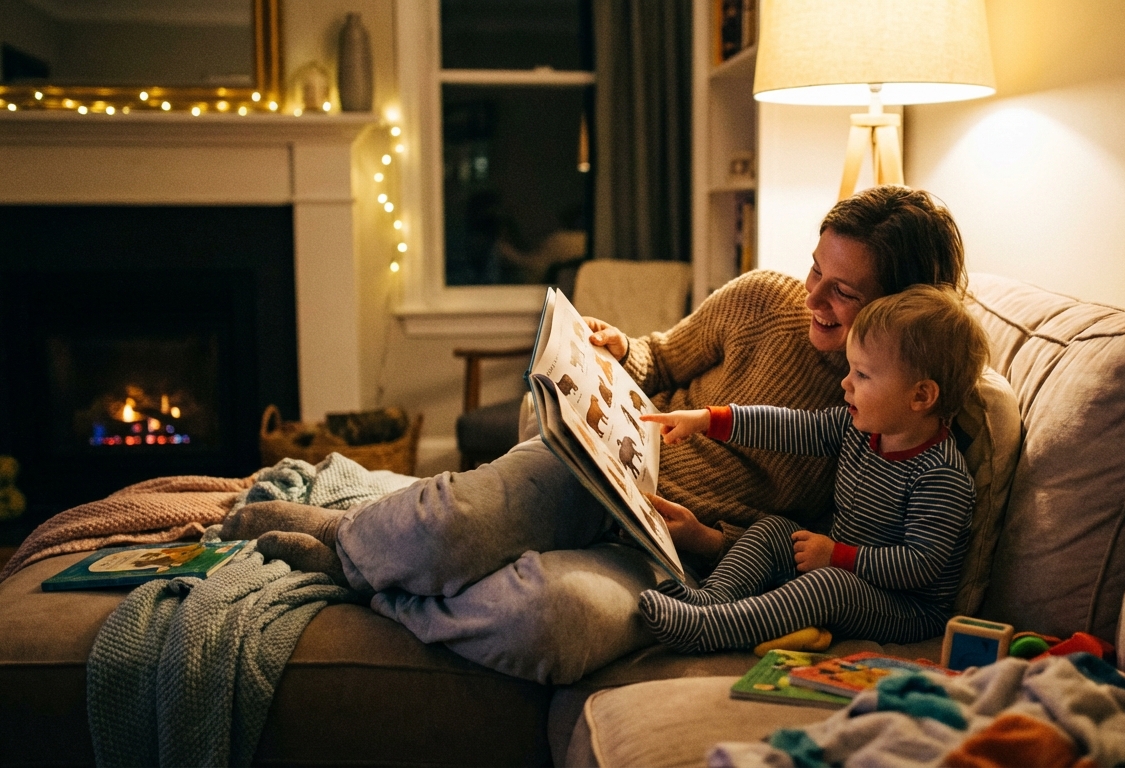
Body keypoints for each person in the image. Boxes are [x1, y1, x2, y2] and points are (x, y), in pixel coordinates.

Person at [222, 185, 982, 684]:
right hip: (603, 466)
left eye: (844, 291)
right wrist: (625, 350)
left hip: (672, 556)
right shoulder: (761, 300)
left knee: (547, 622)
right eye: (815, 269)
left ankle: (371, 587)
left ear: (903, 310)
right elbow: (664, 356)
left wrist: (709, 543)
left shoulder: (892, 416)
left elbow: (806, 552)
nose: (813, 296)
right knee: (452, 522)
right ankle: (352, 539)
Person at [635, 284, 987, 652]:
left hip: (906, 607)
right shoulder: (856, 428)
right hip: (840, 563)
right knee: (773, 530)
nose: (845, 383)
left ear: (920, 396)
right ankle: (709, 600)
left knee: (830, 585)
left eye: (863, 376)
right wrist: (710, 419)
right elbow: (789, 426)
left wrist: (836, 555)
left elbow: (920, 564)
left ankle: (710, 630)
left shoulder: (940, 476)